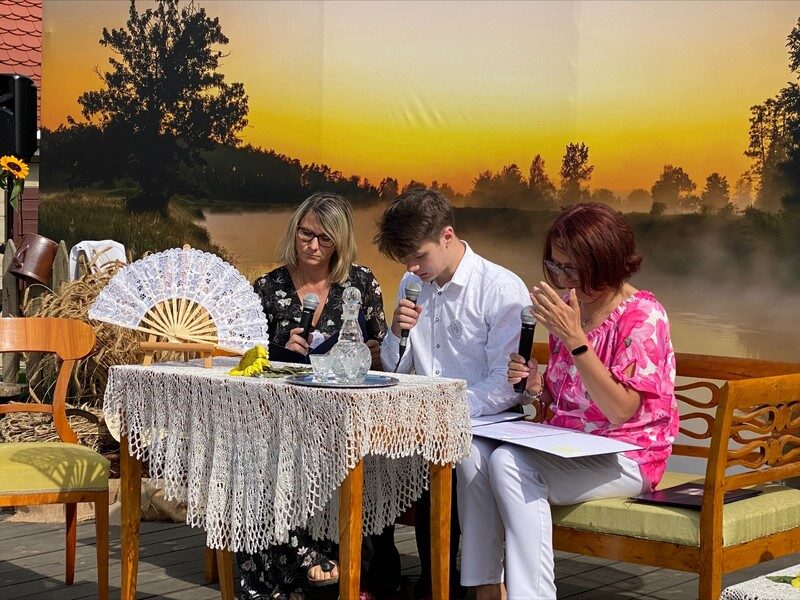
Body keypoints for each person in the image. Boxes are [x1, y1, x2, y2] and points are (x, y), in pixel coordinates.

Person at [457, 202, 678, 600]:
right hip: (567, 447)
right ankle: (486, 588)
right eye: (554, 266)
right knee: (472, 451)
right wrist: (535, 385)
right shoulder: (570, 308)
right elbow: (564, 400)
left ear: (604, 264)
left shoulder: (643, 316)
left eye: (571, 270)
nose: (561, 279)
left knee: (509, 463)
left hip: (629, 454)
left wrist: (576, 340)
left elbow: (620, 410)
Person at [238, 192, 397, 600]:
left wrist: (366, 351)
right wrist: (279, 348)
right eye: (306, 234)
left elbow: (383, 352)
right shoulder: (268, 288)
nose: (312, 245)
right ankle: (299, 559)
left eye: (324, 239)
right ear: (294, 231)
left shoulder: (360, 283)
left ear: (340, 242)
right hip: (282, 418)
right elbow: (247, 360)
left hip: (345, 419)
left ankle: (349, 562)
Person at [375, 188, 530, 599]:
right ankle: (400, 579)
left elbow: (506, 384)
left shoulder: (500, 288)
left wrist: (445, 413)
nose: (412, 267)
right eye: (405, 259)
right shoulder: (412, 283)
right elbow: (395, 369)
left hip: (490, 423)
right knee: (367, 453)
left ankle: (451, 585)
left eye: (418, 256)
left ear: (447, 235)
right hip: (429, 424)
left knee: (453, 456)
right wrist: (396, 332)